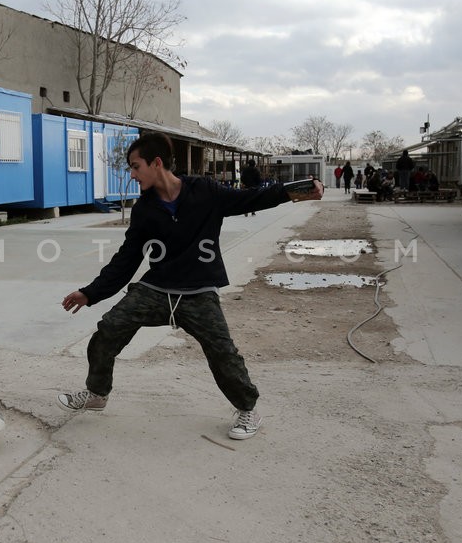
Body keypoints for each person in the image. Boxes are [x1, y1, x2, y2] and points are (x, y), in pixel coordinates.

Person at [57, 132, 323, 440]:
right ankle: (97, 394)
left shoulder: (205, 192)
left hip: (198, 291)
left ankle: (247, 409)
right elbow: (126, 260)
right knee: (108, 330)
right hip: (156, 289)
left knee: (223, 352)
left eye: (135, 166)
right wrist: (90, 293)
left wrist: (300, 190)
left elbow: (252, 197)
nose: (131, 174)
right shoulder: (145, 209)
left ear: (156, 164)